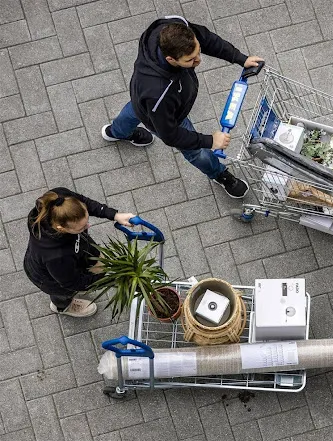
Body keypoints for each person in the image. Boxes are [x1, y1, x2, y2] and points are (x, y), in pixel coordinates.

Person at [101, 15, 264, 198]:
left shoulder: (175, 28)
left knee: (134, 110)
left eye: (198, 52)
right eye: (190, 60)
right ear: (170, 59)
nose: (198, 61)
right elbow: (170, 135)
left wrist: (239, 58)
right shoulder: (158, 95)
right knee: (195, 152)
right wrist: (210, 141)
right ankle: (219, 174)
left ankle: (116, 132)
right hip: (163, 113)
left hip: (143, 100)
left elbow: (206, 38)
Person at [24, 188, 136, 318]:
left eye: (87, 221)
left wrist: (115, 215)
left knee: (95, 265)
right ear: (62, 228)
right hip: (50, 278)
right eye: (82, 227)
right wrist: (108, 279)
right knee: (64, 293)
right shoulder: (55, 256)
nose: (88, 227)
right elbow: (72, 283)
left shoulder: (61, 200)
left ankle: (85, 279)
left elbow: (85, 202)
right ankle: (62, 306)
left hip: (78, 249)